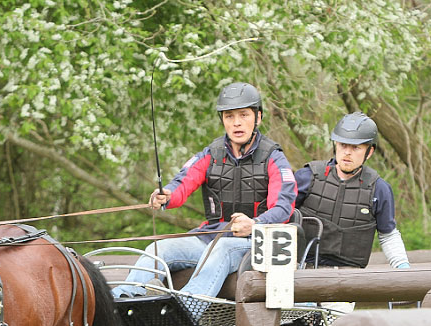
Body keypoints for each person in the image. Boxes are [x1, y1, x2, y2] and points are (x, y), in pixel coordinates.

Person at [112, 81, 297, 299]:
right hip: (210, 238)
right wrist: (166, 195)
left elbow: (284, 207)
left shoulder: (274, 158)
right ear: (223, 120)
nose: (237, 123)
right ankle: (122, 300)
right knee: (158, 249)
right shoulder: (211, 153)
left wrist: (255, 224)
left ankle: (187, 308)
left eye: (244, 115)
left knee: (222, 249)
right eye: (229, 116)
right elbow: (181, 184)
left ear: (258, 117)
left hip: (252, 243)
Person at [294, 112, 410, 270]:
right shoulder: (307, 177)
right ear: (336, 145)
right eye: (343, 145)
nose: (347, 152)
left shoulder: (379, 189)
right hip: (303, 270)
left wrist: (403, 267)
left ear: (369, 152)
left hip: (350, 278)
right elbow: (281, 214)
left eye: (356, 147)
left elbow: (388, 235)